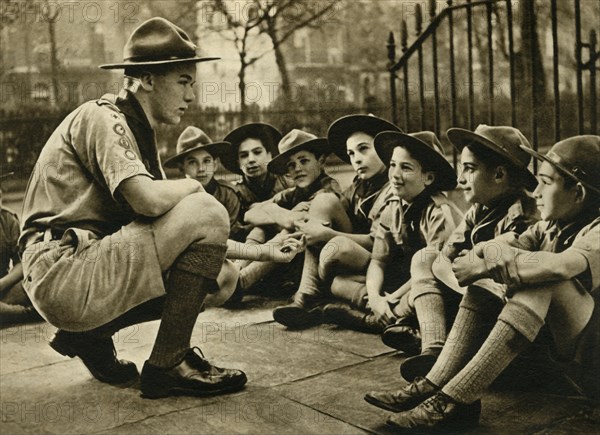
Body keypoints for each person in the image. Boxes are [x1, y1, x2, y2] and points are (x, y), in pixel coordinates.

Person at [18, 17, 251, 399]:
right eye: (184, 81)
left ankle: (90, 335)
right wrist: (194, 183)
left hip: (79, 268)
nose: (191, 95)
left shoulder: (136, 131)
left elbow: (186, 233)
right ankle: (168, 363)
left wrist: (268, 252)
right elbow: (149, 201)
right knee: (206, 208)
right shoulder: (105, 117)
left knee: (221, 277)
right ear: (146, 79)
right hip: (60, 268)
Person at [365, 135, 600, 431]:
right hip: (559, 355)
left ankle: (453, 400)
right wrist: (491, 254)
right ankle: (435, 384)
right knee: (483, 286)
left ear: (577, 192)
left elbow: (561, 266)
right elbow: (492, 248)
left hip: (593, 366)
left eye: (546, 182)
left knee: (545, 281)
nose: (536, 191)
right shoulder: (549, 226)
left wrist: (493, 259)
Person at [382, 125, 539, 381]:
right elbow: (444, 255)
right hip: (471, 292)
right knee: (424, 257)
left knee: (445, 278)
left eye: (469, 168)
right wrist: (458, 270)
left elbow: (508, 282)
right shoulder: (479, 209)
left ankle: (430, 338)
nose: (460, 179)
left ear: (499, 174)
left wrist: (461, 270)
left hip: (505, 318)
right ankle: (432, 347)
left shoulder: (523, 216)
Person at [322, 131, 461, 333]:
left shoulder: (439, 213)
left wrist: (393, 296)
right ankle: (390, 316)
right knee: (338, 283)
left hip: (432, 284)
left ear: (428, 178)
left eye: (405, 168)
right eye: (393, 165)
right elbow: (378, 261)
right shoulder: (394, 207)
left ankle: (370, 321)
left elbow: (430, 272)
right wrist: (376, 297)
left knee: (420, 297)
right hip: (402, 282)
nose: (394, 175)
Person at [272, 114, 400, 329]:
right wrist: (308, 220)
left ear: (383, 149)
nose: (356, 159)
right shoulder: (360, 184)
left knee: (335, 248)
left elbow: (378, 244)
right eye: (351, 153)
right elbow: (337, 209)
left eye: (363, 149)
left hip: (385, 262)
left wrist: (326, 235)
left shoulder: (394, 188)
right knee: (324, 201)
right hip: (357, 259)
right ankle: (308, 294)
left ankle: (312, 297)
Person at [226, 129, 341, 300]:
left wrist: (284, 217)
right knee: (261, 228)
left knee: (291, 233)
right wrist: (277, 212)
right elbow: (249, 214)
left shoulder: (328, 188)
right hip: (292, 258)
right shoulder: (293, 192)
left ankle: (241, 281)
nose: (298, 169)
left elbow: (304, 223)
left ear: (321, 161)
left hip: (327, 257)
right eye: (291, 165)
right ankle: (236, 271)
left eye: (304, 161)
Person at [163, 126, 243, 239]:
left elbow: (232, 234)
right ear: (181, 168)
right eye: (192, 162)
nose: (201, 168)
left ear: (215, 165)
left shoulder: (228, 195)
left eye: (206, 161)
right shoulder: (175, 198)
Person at [0, 172, 38, 325]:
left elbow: (22, 263)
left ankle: (7, 313)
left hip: (3, 288)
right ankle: (29, 314)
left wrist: (2, 284)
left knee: (37, 284)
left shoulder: (7, 220)